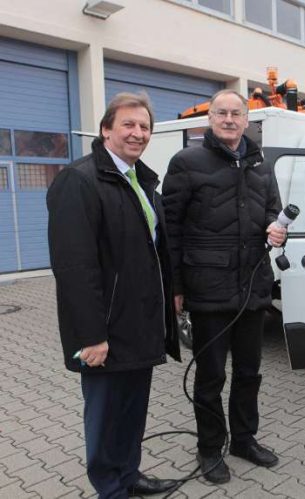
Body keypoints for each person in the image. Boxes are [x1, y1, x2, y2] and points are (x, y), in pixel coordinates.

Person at [47, 92, 181, 497]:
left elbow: (154, 250)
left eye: (144, 127)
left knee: (131, 412)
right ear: (106, 129)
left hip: (140, 324)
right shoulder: (81, 179)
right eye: (128, 124)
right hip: (104, 330)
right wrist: (91, 335)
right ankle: (111, 488)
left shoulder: (141, 180)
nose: (137, 133)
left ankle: (129, 474)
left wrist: (172, 296)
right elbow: (74, 267)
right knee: (105, 417)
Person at [162, 89, 286, 484]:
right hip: (207, 288)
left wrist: (278, 229)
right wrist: (176, 286)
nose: (229, 119)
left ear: (246, 120)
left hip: (252, 285)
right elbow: (171, 230)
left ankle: (244, 440)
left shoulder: (261, 166)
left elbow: (273, 212)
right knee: (211, 376)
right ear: (210, 119)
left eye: (236, 113)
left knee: (249, 372)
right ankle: (210, 448)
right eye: (222, 113)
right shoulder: (186, 162)